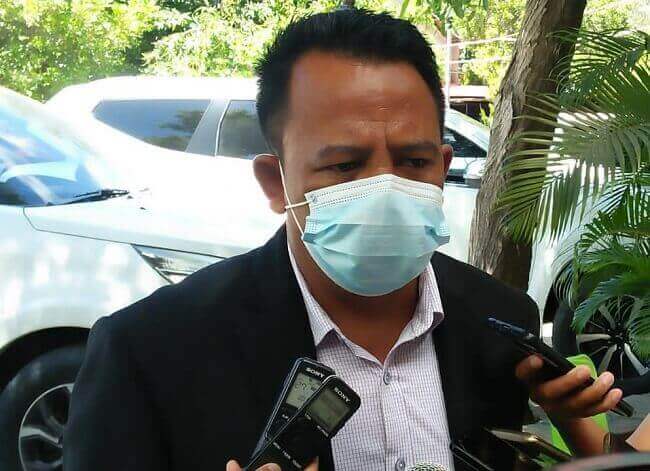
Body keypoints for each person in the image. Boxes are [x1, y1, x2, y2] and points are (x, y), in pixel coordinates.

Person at [63, 9, 624, 471]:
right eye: (345, 166)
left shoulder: (500, 322)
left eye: (413, 161)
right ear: (276, 183)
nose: (385, 189)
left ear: (443, 165)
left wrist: (574, 425)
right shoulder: (150, 353)